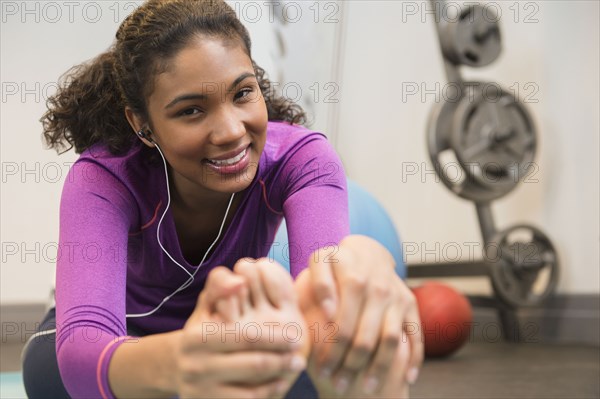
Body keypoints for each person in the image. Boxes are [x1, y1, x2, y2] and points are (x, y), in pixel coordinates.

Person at [21, 0, 423, 398]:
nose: (231, 131)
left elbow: (324, 303)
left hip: (230, 330)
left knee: (316, 366)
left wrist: (365, 279)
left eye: (242, 93)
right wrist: (187, 362)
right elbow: (82, 353)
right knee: (52, 376)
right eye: (191, 111)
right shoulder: (104, 178)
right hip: (125, 346)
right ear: (142, 125)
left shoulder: (303, 160)